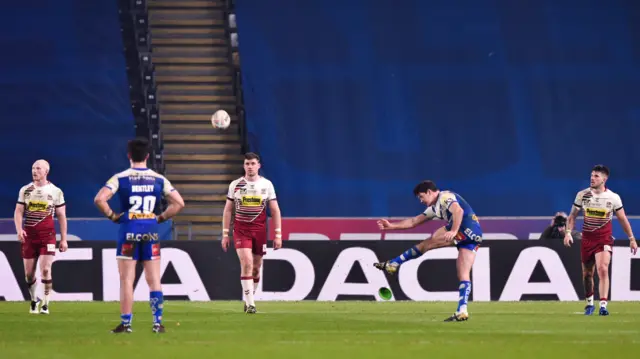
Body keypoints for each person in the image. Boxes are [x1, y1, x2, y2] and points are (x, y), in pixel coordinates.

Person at [94, 138, 185, 333]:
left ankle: (126, 324)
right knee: (154, 279)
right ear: (148, 156)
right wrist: (159, 218)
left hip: (129, 230)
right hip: (150, 230)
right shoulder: (159, 179)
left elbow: (100, 199)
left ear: (129, 156)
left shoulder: (120, 178)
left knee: (127, 279)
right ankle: (157, 323)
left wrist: (112, 216)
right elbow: (179, 203)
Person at [374, 180, 482, 322]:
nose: (420, 200)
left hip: (464, 229)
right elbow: (414, 221)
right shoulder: (435, 207)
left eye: (421, 196)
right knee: (463, 274)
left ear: (429, 192)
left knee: (427, 243)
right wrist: (391, 226)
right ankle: (462, 311)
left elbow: (458, 210)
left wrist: (454, 230)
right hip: (476, 235)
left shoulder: (444, 197)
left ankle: (394, 263)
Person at [564, 164, 637, 316]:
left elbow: (622, 219)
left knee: (603, 269)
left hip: (603, 239)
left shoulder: (613, 197)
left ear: (604, 179)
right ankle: (589, 304)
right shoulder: (582, 195)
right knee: (587, 273)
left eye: (596, 176)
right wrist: (568, 232)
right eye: (591, 175)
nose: (592, 178)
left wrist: (631, 238)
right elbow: (572, 216)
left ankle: (603, 305)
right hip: (587, 239)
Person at [221, 152, 282, 314]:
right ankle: (250, 304)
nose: (250, 167)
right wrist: (225, 234)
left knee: (256, 268)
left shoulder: (267, 185)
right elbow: (228, 210)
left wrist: (278, 234)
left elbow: (275, 210)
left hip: (260, 230)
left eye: (253, 164)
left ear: (258, 166)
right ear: (244, 166)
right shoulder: (236, 185)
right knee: (247, 263)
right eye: (247, 164)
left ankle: (249, 299)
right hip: (241, 230)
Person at [14, 159, 68, 314]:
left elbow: (61, 215)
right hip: (29, 236)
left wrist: (63, 239)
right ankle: (33, 300)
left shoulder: (55, 191)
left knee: (45, 269)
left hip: (48, 236)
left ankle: (45, 303)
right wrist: (19, 230)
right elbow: (18, 211)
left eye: (38, 168)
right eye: (33, 168)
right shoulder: (25, 190)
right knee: (29, 275)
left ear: (46, 171)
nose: (34, 171)